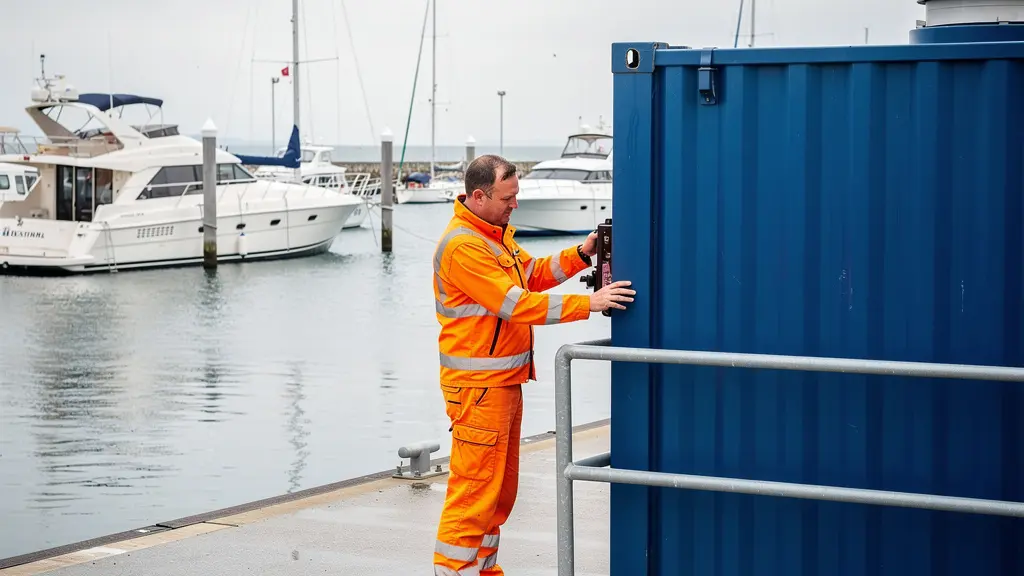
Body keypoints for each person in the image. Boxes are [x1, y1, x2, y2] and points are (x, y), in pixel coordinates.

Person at [431, 154, 635, 575]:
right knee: (473, 496)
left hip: (501, 385)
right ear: (479, 196)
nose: (515, 205)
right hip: (479, 390)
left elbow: (531, 273)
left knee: (498, 496)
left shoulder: (493, 236)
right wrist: (590, 303)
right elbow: (515, 303)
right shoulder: (463, 246)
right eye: (508, 198)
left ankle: (482, 570)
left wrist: (582, 253)